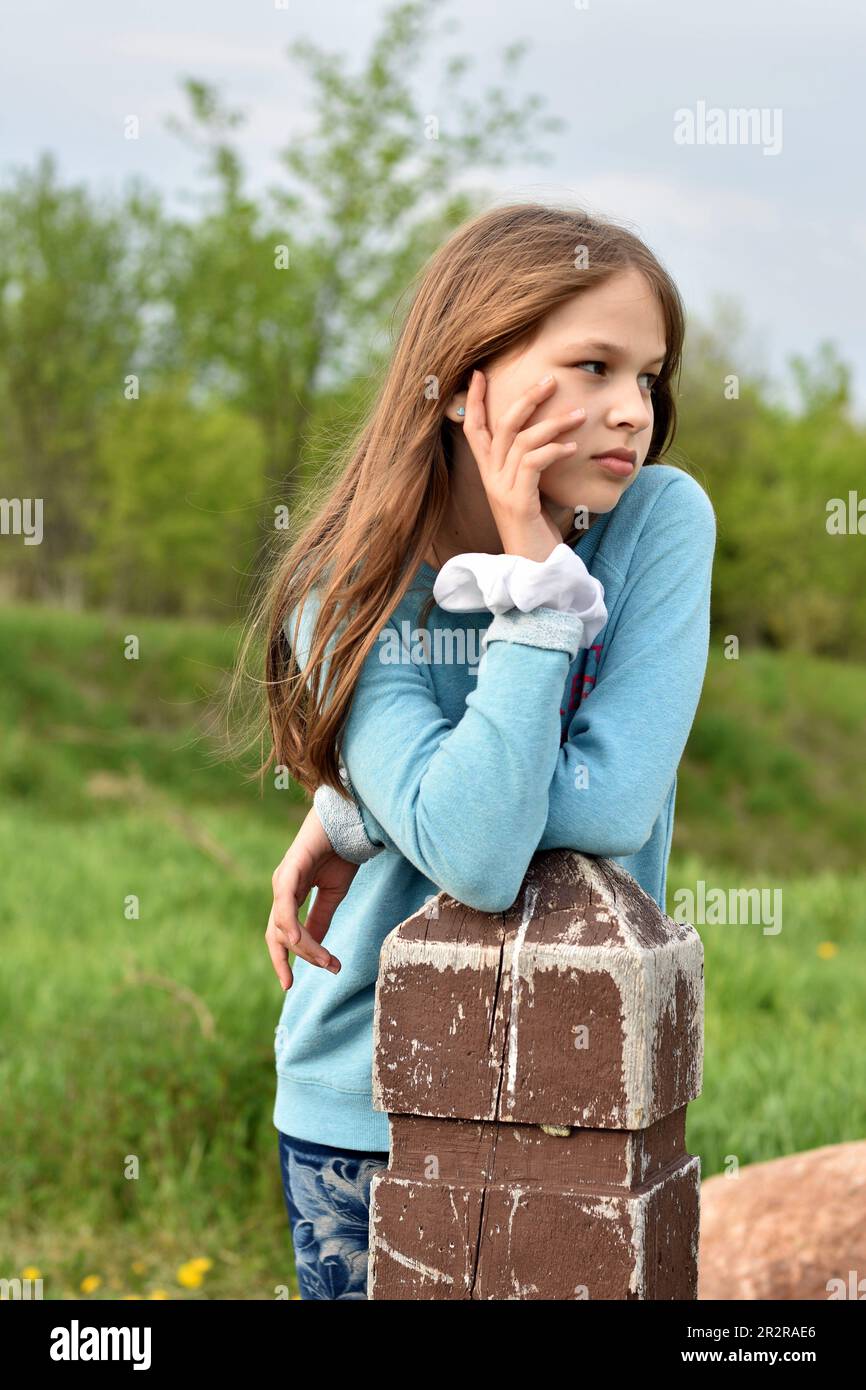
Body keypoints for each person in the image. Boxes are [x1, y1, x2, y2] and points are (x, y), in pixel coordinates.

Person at [255, 202, 716, 1298]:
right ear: (468, 380)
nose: (629, 413)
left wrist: (362, 808)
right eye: (591, 365)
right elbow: (475, 849)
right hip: (363, 1106)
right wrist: (539, 598)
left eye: (646, 376)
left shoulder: (657, 522)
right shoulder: (351, 594)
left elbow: (611, 805)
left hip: (584, 1096)